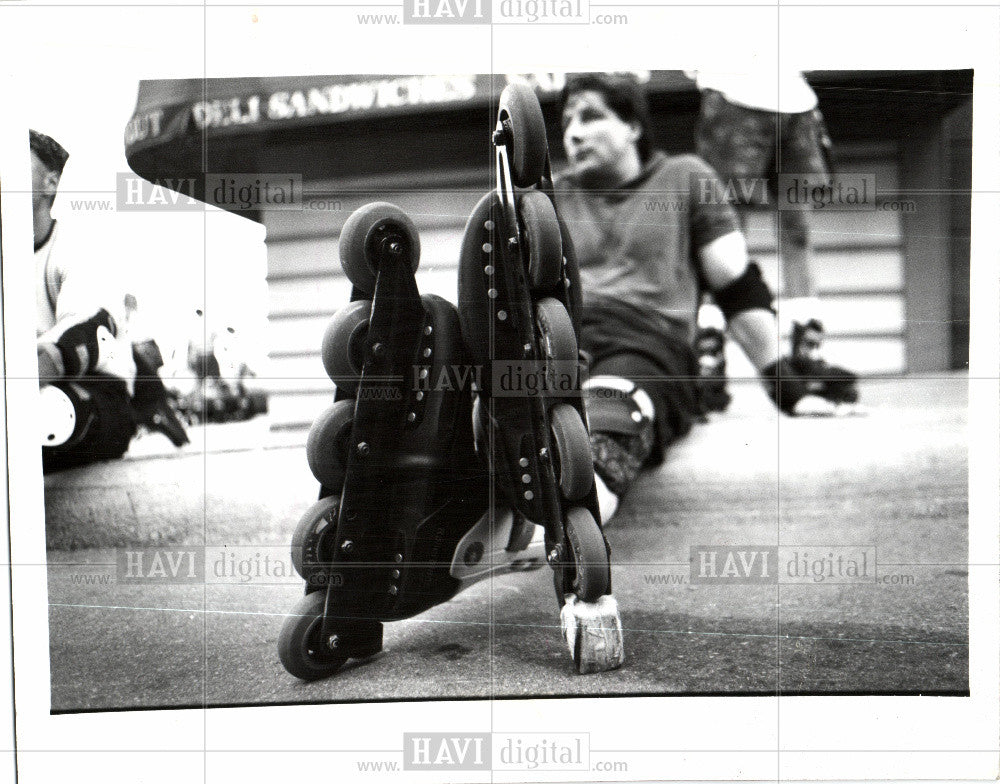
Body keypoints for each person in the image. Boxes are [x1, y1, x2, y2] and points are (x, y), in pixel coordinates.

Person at [553, 73, 835, 519]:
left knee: (609, 418)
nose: (574, 132)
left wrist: (788, 388)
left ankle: (571, 519)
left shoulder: (684, 177)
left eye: (591, 117)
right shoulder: (549, 195)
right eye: (567, 121)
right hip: (558, 342)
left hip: (645, 343)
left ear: (633, 127)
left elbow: (735, 285)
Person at [689, 69, 858, 395]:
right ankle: (708, 350)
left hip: (795, 101)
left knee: (798, 229)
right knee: (723, 230)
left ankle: (806, 348)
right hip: (733, 97)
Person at [32, 129, 185, 473]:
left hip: (100, 396)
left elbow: (89, 332)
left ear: (50, 182)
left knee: (44, 413)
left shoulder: (77, 244)